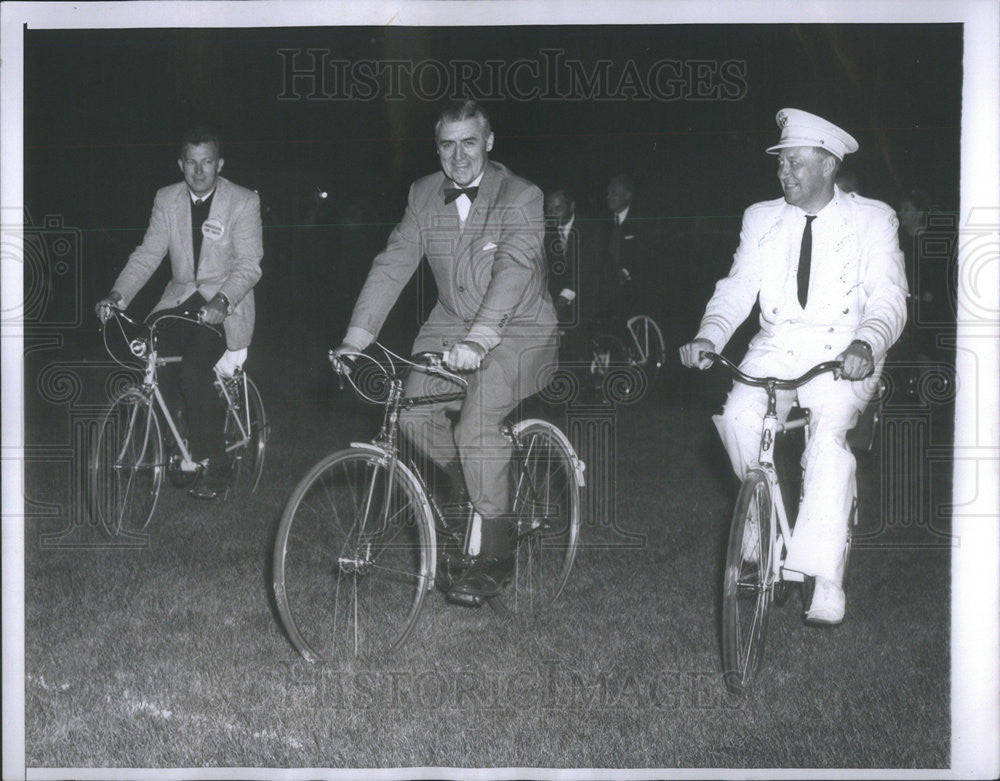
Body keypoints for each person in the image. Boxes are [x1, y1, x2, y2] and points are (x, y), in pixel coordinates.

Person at [679, 108, 908, 624]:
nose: (784, 174)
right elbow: (737, 288)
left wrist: (868, 345)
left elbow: (890, 297)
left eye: (796, 163)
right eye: (781, 163)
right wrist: (708, 335)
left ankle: (824, 575)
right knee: (739, 413)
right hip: (779, 342)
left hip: (844, 349)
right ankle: (758, 520)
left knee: (827, 441)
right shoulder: (761, 218)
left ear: (829, 164)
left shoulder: (873, 219)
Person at [331, 100, 558, 602]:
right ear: (437, 148)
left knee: (477, 422)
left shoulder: (522, 196)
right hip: (450, 324)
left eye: (469, 143)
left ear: (490, 142)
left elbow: (514, 272)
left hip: (519, 328)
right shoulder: (422, 195)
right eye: (447, 145)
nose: (458, 157)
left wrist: (479, 339)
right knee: (411, 416)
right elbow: (393, 264)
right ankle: (470, 488)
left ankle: (496, 555)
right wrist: (356, 338)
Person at [95, 126, 264, 500]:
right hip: (178, 302)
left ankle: (216, 464)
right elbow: (148, 254)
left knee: (192, 370)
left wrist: (222, 302)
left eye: (207, 162)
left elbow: (250, 265)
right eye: (191, 162)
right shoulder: (166, 199)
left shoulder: (243, 201)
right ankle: (177, 447)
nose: (199, 171)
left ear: (219, 164)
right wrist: (117, 295)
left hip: (223, 306)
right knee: (157, 366)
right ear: (180, 164)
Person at [543, 186, 599, 363]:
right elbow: (549, 269)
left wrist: (563, 298)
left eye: (557, 209)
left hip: (594, 285)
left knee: (576, 322)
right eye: (549, 210)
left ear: (571, 207)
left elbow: (585, 269)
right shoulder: (549, 233)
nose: (552, 214)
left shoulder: (590, 229)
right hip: (568, 287)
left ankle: (583, 368)